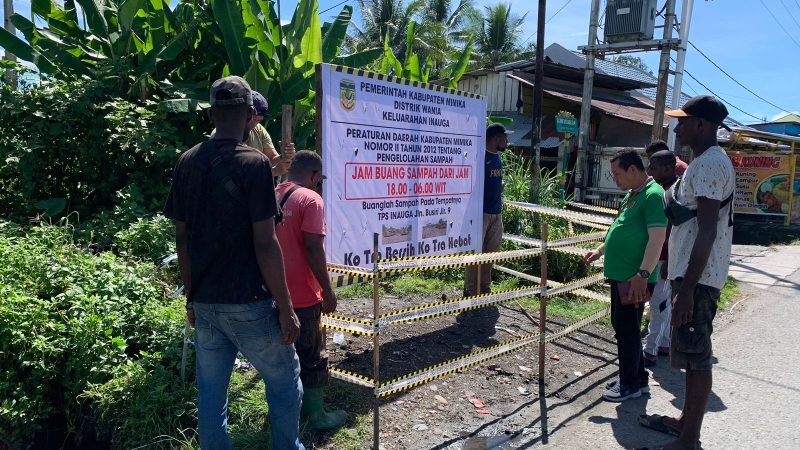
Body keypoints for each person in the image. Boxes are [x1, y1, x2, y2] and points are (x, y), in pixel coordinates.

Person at [164, 76, 304, 450]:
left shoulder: (186, 161)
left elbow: (183, 239)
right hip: (250, 302)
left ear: (211, 113)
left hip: (207, 303)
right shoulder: (254, 163)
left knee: (211, 397)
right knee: (285, 380)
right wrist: (287, 308)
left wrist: (191, 297)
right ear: (248, 116)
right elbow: (265, 242)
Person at [639, 96, 735, 450]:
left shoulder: (709, 164)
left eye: (683, 121)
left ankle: (689, 440)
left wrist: (688, 290)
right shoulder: (704, 163)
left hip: (700, 279)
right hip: (693, 275)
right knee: (692, 355)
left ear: (701, 125)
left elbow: (707, 229)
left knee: (697, 359)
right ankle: (684, 424)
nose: (677, 128)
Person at [584, 150, 667, 402]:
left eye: (617, 174)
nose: (615, 179)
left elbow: (657, 238)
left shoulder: (653, 195)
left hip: (634, 278)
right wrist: (600, 250)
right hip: (623, 277)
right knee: (624, 327)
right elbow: (620, 226)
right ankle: (637, 377)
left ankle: (628, 384)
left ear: (633, 170)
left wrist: (643, 273)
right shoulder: (633, 195)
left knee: (627, 330)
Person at [275, 150, 347, 430]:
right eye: (320, 180)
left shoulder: (272, 194)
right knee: (312, 356)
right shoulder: (311, 200)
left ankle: (286, 415)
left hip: (274, 294)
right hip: (303, 296)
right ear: (314, 175)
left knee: (283, 359)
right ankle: (316, 417)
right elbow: (313, 247)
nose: (320, 185)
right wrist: (327, 291)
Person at [642, 150, 680, 367]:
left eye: (653, 168)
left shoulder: (675, 193)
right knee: (662, 303)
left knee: (659, 303)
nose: (649, 171)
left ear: (667, 169)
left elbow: (678, 231)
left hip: (665, 257)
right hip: (657, 255)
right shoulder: (658, 190)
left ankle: (650, 349)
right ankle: (664, 342)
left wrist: (671, 263)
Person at [464, 123, 509, 297]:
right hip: (480, 213)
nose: (507, 142)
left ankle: (484, 287)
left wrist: (500, 187)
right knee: (475, 253)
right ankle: (471, 289)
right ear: (496, 139)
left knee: (491, 253)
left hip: (496, 213)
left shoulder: (498, 157)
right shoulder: (480, 158)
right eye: (505, 138)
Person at [211, 91, 295, 177]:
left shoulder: (259, 129)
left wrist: (285, 155)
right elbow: (233, 174)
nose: (255, 124)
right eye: (253, 119)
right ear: (245, 114)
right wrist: (273, 172)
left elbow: (272, 158)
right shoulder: (222, 134)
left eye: (259, 121)